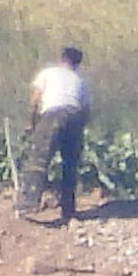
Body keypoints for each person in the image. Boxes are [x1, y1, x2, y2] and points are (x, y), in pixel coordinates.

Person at [18, 46, 89, 222]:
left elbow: (35, 99)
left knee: (38, 158)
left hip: (53, 113)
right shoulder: (79, 81)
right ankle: (68, 209)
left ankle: (28, 203)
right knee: (70, 164)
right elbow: (86, 110)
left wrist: (32, 122)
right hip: (75, 116)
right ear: (77, 64)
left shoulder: (48, 73)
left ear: (61, 59)